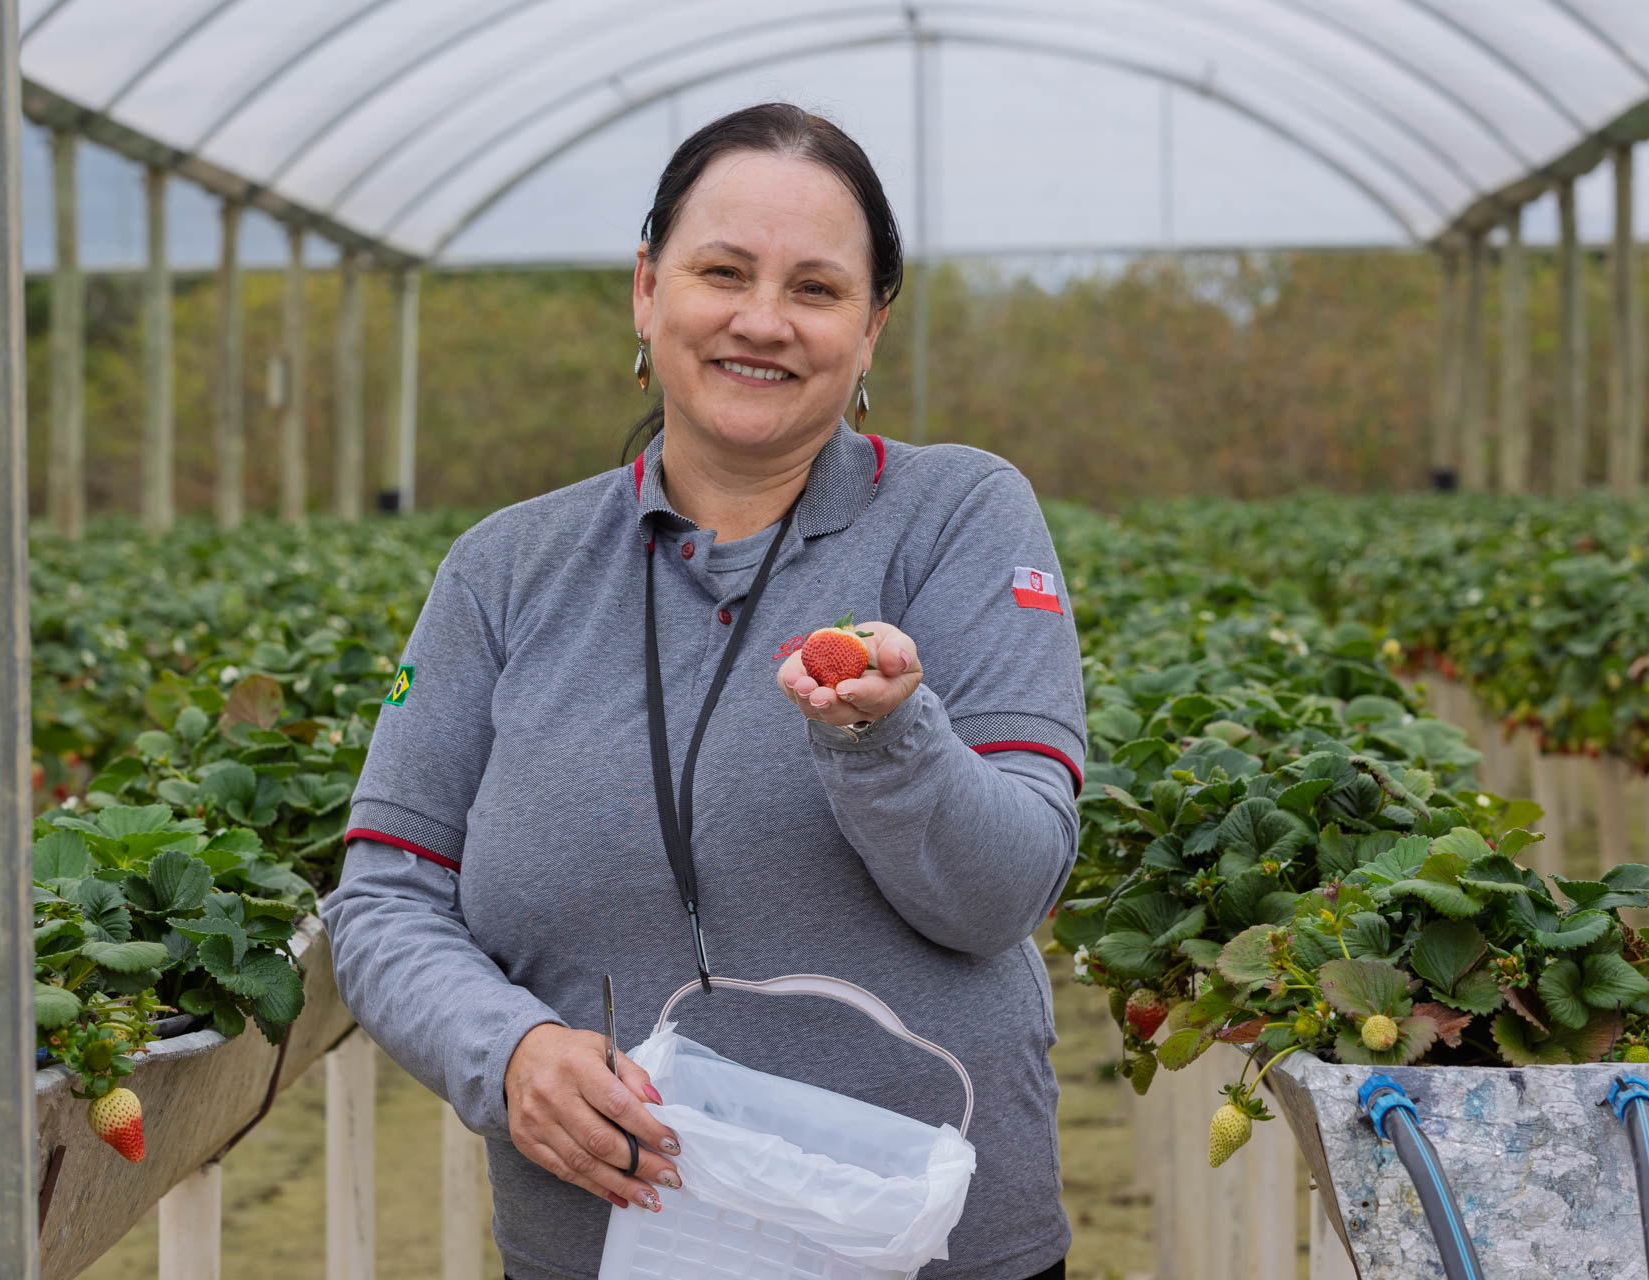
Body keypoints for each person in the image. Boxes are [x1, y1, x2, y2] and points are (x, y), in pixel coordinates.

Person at [324, 102, 1086, 1280]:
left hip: (931, 1246)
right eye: (722, 271)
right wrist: (511, 1050)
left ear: (874, 325)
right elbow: (382, 899)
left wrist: (888, 736)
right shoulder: (504, 571)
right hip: (599, 1238)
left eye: (818, 289)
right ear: (646, 288)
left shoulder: (958, 519)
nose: (762, 320)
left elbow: (1000, 894)